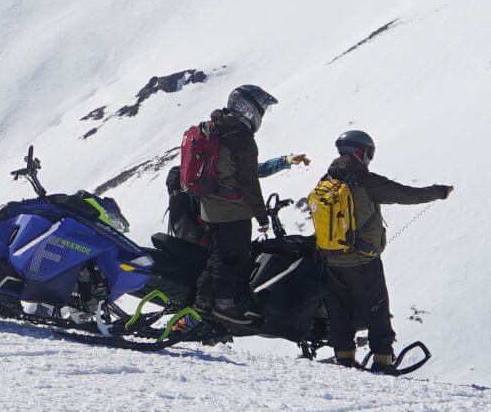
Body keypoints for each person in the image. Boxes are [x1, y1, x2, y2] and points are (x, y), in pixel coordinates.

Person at [318, 130, 452, 375]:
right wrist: (438, 192)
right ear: (362, 152)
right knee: (377, 309)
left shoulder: (327, 179)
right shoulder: (366, 181)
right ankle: (383, 361)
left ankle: (344, 357)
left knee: (340, 308)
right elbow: (406, 195)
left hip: (332, 258)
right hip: (363, 259)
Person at [192, 84, 280, 325]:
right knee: (233, 258)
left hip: (210, 206)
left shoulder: (216, 128)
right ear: (248, 109)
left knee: (218, 255)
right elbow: (249, 182)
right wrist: (262, 216)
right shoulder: (242, 140)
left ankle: (203, 300)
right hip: (231, 210)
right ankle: (225, 305)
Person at [167, 153, 311, 245]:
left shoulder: (194, 179)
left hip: (205, 235)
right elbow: (257, 170)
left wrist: (285, 161)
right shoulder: (211, 175)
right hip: (212, 236)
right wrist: (285, 161)